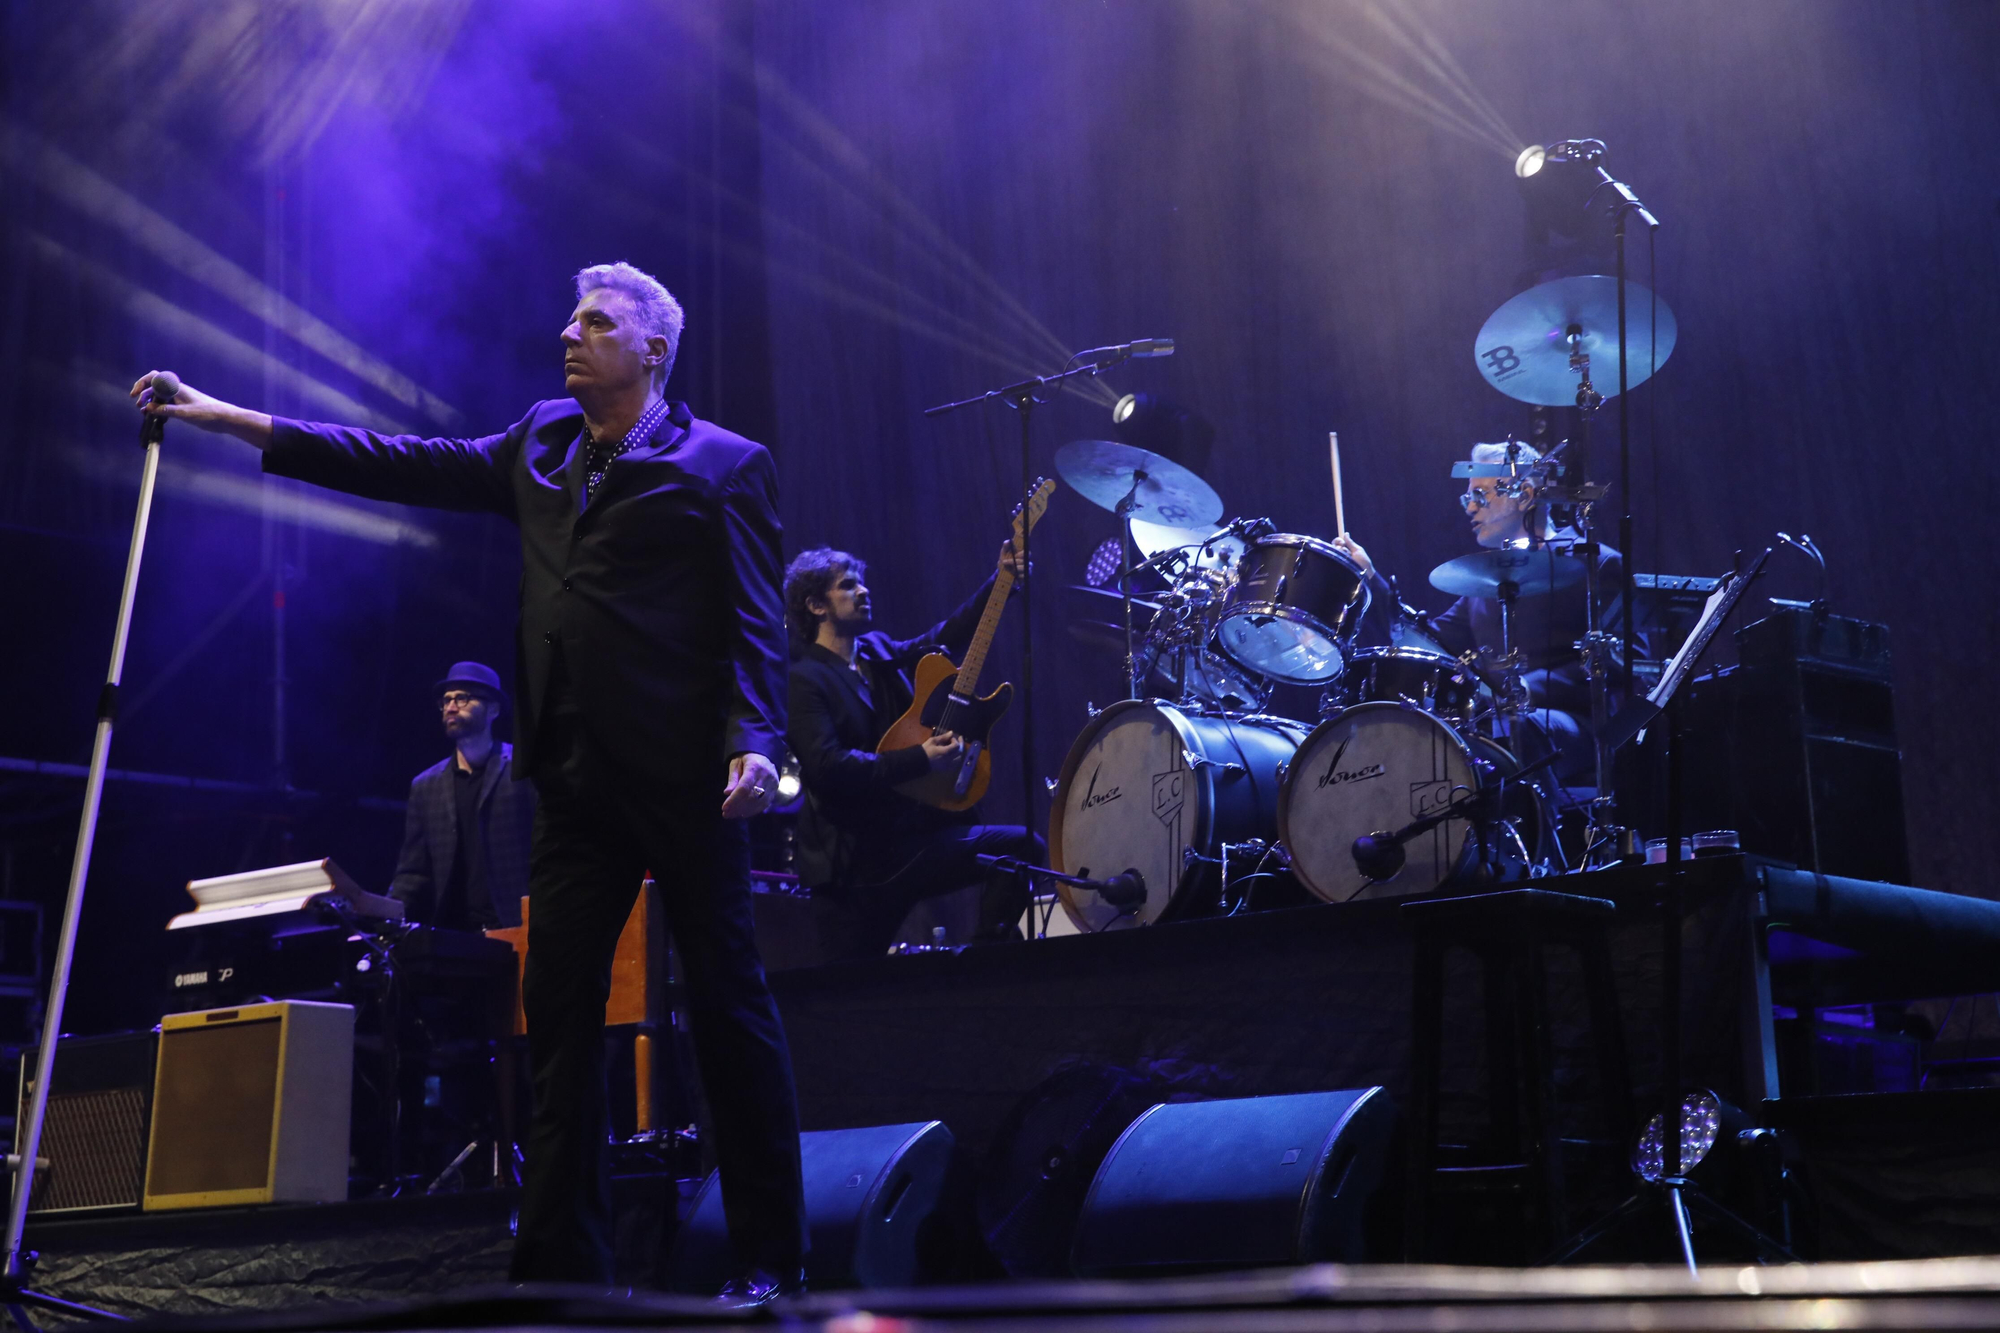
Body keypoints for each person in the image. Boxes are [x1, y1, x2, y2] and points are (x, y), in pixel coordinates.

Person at [133, 262, 805, 1304]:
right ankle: (562, 1273)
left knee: (726, 1003)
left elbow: (758, 622)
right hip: (573, 781)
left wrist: (755, 741)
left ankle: (770, 1258)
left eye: (596, 320)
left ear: (655, 349)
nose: (567, 331)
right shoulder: (539, 442)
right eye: (570, 313)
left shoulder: (721, 464)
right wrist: (228, 418)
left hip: (682, 778)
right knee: (556, 1017)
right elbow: (398, 460)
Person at [784, 544, 1042, 962]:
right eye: (847, 586)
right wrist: (920, 759)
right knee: (849, 993)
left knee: (1020, 848)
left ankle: (986, 963)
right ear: (815, 605)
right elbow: (828, 767)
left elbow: (943, 640)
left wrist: (1001, 582)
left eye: (862, 582)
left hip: (910, 841)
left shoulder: (875, 653)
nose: (863, 591)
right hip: (856, 866)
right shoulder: (803, 680)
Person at [1333, 440, 1627, 784]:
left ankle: (1537, 837)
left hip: (1579, 722)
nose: (1470, 508)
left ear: (1525, 494)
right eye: (1467, 498)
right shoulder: (1488, 578)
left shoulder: (1596, 562)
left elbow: (1625, 661)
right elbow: (1429, 643)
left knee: (1514, 728)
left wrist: (1527, 689)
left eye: (1481, 495)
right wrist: (1368, 578)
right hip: (1503, 720)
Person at [391, 661, 534, 930]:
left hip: (518, 928)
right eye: (446, 700)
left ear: (493, 709)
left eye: (463, 698)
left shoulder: (525, 770)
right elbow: (413, 873)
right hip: (454, 936)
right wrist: (383, 917)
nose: (451, 707)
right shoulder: (426, 785)